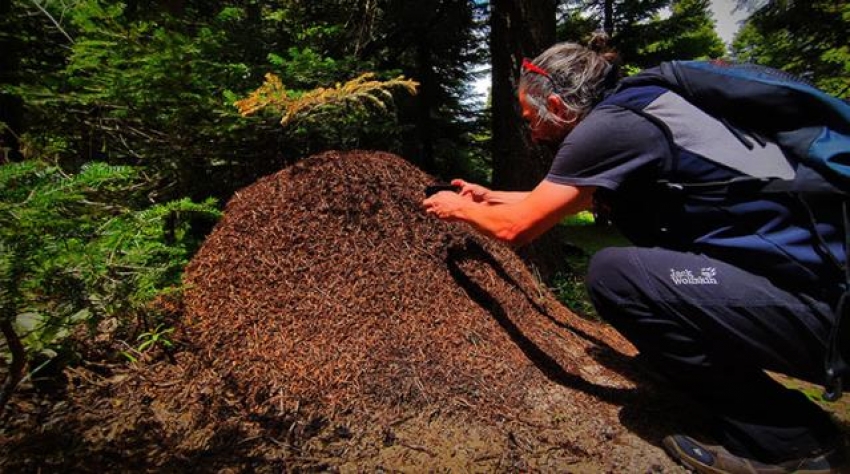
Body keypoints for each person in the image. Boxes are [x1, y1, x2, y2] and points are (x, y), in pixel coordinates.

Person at [422, 36, 849, 473]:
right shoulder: (642, 108)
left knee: (615, 276)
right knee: (642, 277)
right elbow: (561, 199)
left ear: (556, 102)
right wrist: (488, 197)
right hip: (815, 290)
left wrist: (456, 209)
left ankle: (791, 442)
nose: (532, 131)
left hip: (828, 316)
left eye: (532, 119)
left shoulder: (608, 130)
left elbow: (517, 229)